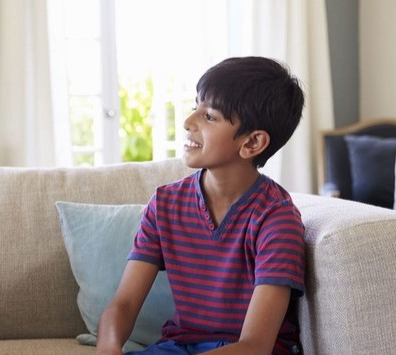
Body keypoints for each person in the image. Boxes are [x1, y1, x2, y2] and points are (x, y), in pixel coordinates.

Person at [96, 57, 307, 355]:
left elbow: (256, 346)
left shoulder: (276, 217)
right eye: (195, 106)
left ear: (252, 143)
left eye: (209, 116)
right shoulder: (165, 204)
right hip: (178, 347)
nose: (188, 122)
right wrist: (108, 347)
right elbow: (124, 304)